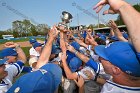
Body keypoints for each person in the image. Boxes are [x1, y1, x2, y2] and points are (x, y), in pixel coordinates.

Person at [7, 26, 62, 93]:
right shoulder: (33, 59)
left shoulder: (7, 72)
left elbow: (40, 64)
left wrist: (51, 38)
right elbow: (37, 65)